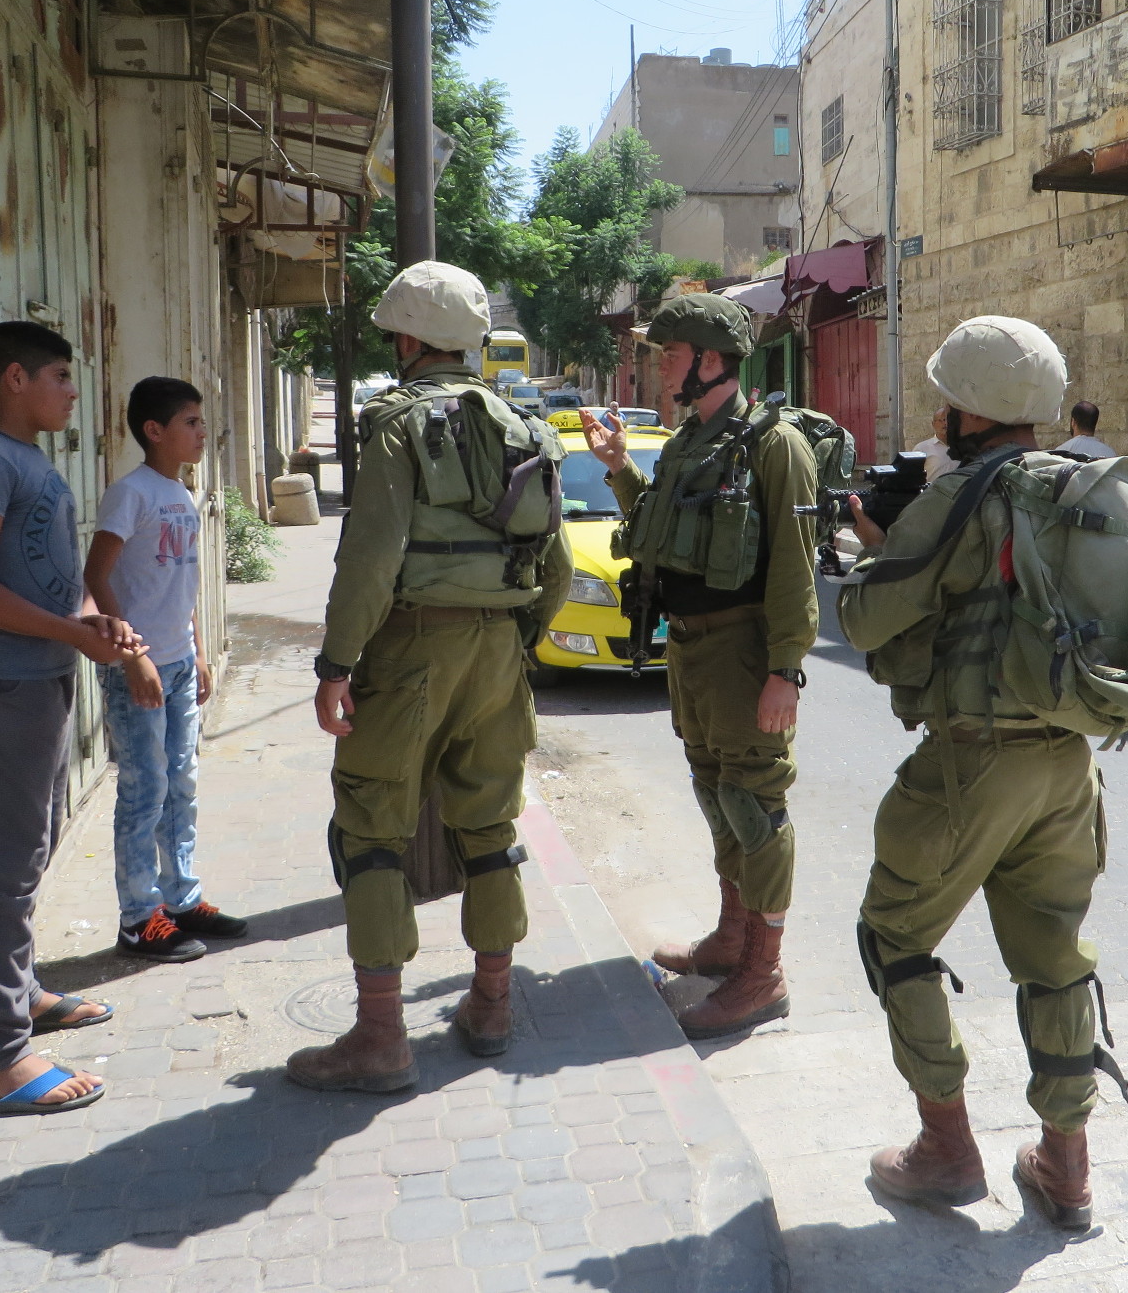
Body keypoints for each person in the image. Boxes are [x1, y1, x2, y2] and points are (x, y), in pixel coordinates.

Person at [837, 315, 1118, 1231]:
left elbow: (869, 622)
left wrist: (876, 545)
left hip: (972, 765)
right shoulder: (1082, 489)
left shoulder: (959, 496)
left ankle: (946, 1148)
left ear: (967, 412)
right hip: (1068, 766)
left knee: (893, 934)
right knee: (1054, 960)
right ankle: (1066, 1167)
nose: (938, 412)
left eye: (946, 400)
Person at [290, 261, 572, 1091]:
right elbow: (553, 568)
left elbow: (370, 561)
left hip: (410, 649)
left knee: (374, 829)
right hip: (498, 652)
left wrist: (337, 665)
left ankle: (380, 1039)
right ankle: (490, 1006)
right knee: (488, 828)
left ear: (410, 339)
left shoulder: (397, 426)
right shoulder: (528, 429)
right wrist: (515, 641)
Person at [579, 294, 818, 1039]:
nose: (662, 367)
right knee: (717, 793)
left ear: (710, 361)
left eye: (671, 355)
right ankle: (732, 935)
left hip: (745, 654)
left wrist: (787, 669)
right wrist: (619, 470)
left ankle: (763, 975)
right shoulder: (691, 439)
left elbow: (794, 570)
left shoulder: (775, 447)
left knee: (757, 808)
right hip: (692, 651)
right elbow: (659, 525)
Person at [0, 321, 143, 1116]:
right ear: (15, 380)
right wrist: (74, 633)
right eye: (59, 375)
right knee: (3, 865)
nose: (71, 390)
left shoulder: (29, 462)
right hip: (0, 685)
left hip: (40, 676)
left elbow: (58, 577)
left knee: (25, 851)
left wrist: (99, 622)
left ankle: (18, 994)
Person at [83, 377, 246, 964]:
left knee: (181, 784)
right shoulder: (131, 493)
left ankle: (180, 899)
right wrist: (134, 657)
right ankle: (137, 919)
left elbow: (183, 586)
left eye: (202, 422)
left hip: (178, 663)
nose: (203, 432)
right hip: (141, 669)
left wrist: (197, 650)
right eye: (192, 422)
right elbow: (96, 577)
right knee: (144, 788)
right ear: (155, 431)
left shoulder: (180, 494)